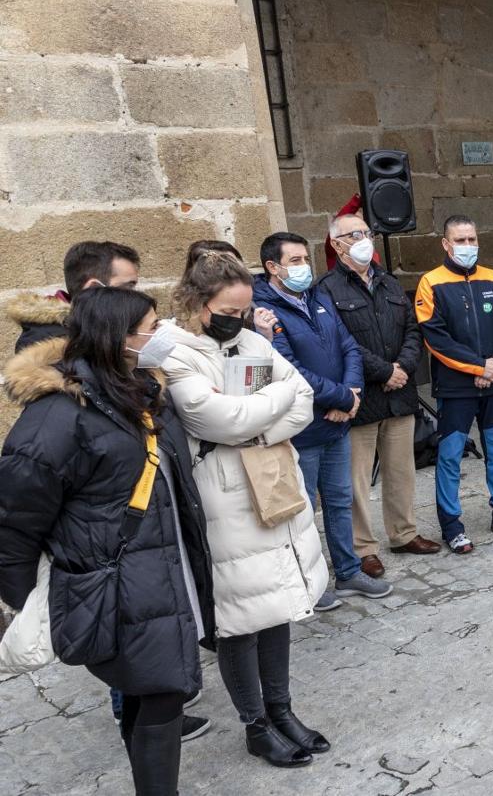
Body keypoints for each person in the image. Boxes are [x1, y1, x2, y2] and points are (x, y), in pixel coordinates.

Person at [0, 288, 214, 793]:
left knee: (150, 689)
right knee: (162, 692)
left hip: (158, 570)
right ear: (117, 337)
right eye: (152, 327)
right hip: (111, 580)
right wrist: (25, 596)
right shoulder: (58, 416)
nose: (162, 335)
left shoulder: (137, 391)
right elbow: (14, 515)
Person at [163, 249, 331, 768]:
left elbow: (301, 395)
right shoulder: (175, 353)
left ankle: (282, 710)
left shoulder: (252, 341)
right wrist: (266, 408)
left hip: (270, 481)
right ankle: (256, 725)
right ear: (198, 303)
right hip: (223, 500)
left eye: (243, 310)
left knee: (276, 604)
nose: (238, 320)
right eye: (228, 312)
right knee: (239, 617)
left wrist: (254, 421)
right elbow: (220, 420)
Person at [253, 232, 390, 606]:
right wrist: (343, 397)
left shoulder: (318, 297)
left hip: (337, 423)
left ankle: (348, 572)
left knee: (340, 500)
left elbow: (348, 347)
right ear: (272, 267)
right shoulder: (263, 312)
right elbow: (288, 367)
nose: (304, 267)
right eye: (294, 261)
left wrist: (351, 393)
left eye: (304, 258)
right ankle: (309, 583)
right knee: (302, 511)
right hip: (302, 428)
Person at [319, 213, 440, 579]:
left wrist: (402, 367)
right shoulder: (326, 289)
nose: (363, 239)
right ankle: (363, 548)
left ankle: (404, 533)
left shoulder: (388, 281)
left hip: (399, 394)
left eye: (366, 232)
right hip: (362, 397)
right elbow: (340, 342)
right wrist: (384, 371)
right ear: (337, 244)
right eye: (354, 234)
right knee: (356, 480)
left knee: (401, 471)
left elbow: (412, 330)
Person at [415, 216, 493, 552]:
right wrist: (478, 366)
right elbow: (435, 338)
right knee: (451, 456)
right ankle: (452, 525)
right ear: (446, 244)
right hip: (456, 387)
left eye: (472, 239)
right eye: (460, 240)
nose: (468, 246)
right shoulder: (430, 282)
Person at [6, 240, 141, 353]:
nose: (135, 297)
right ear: (94, 288)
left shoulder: (105, 328)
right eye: (127, 287)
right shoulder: (46, 346)